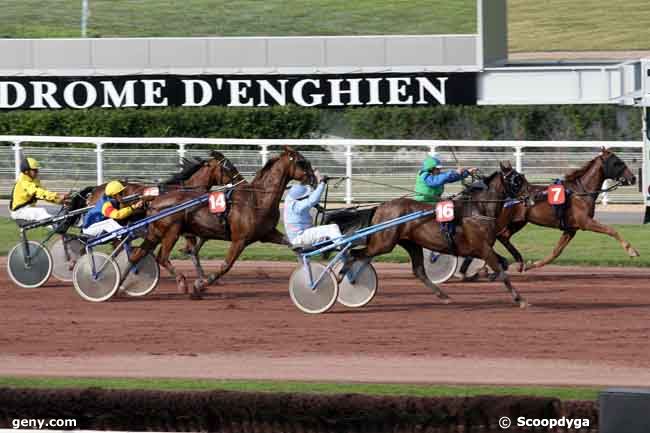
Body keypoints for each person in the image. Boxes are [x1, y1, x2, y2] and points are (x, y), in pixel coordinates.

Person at [283, 172, 341, 247]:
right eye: (307, 196)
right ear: (301, 198)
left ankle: (343, 252)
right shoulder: (297, 206)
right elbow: (313, 200)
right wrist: (322, 183)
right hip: (301, 237)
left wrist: (316, 206)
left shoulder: (290, 199)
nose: (308, 196)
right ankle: (343, 248)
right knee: (333, 228)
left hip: (301, 235)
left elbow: (308, 199)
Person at [9, 157, 68, 222]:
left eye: (37, 170)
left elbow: (44, 194)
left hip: (29, 209)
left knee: (58, 211)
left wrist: (60, 201)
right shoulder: (23, 182)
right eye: (34, 170)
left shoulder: (34, 180)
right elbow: (38, 192)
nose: (37, 172)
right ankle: (57, 226)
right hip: (19, 211)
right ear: (26, 171)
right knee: (41, 212)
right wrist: (58, 195)